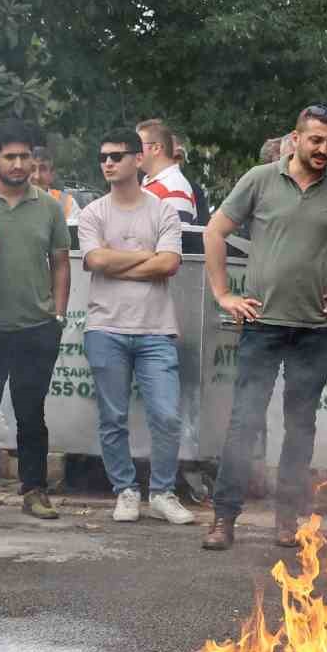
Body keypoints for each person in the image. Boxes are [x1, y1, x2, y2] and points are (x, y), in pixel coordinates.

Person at [202, 103, 327, 550]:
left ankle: (287, 518)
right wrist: (223, 294)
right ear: (296, 139)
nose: (323, 149)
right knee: (244, 421)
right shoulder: (259, 179)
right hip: (262, 324)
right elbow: (214, 232)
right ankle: (224, 518)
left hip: (313, 328)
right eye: (316, 140)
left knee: (301, 426)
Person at [79, 129, 196, 525]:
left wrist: (117, 261)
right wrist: (145, 257)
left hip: (156, 330)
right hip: (105, 328)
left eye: (117, 156)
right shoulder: (93, 213)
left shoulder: (162, 211)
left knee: (166, 415)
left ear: (137, 159)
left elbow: (170, 263)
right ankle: (125, 491)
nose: (108, 163)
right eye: (103, 157)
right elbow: (95, 261)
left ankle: (162, 492)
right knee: (112, 418)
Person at [0, 119, 71, 522]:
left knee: (31, 414)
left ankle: (34, 490)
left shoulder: (49, 207)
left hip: (35, 328)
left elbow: (61, 263)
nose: (19, 164)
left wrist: (58, 314)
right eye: (10, 157)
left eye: (25, 156)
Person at [136, 119, 197, 223]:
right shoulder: (149, 183)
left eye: (137, 145)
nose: (132, 151)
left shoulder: (174, 188)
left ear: (156, 148)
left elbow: (175, 233)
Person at [170, 134, 211, 227]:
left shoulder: (194, 190)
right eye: (173, 157)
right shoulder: (143, 185)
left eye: (179, 158)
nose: (177, 163)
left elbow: (202, 228)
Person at [30, 146, 80, 221]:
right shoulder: (13, 202)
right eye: (32, 169)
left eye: (43, 169)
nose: (37, 177)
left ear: (52, 174)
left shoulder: (66, 203)